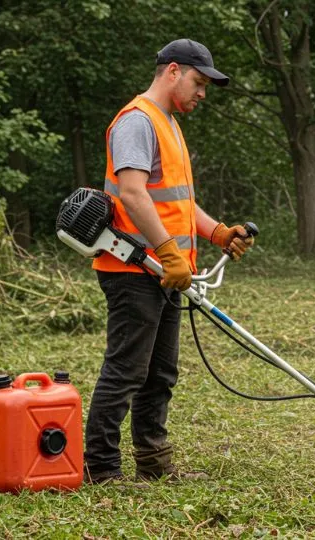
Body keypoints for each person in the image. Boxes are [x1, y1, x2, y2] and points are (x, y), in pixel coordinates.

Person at [84, 38, 254, 483]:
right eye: (199, 82)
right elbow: (134, 194)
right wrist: (168, 252)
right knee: (126, 370)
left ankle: (154, 467)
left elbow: (177, 204)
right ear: (173, 71)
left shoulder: (169, 124)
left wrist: (217, 231)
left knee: (160, 373)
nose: (202, 93)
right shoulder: (136, 122)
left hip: (165, 272)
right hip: (133, 268)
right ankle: (101, 469)